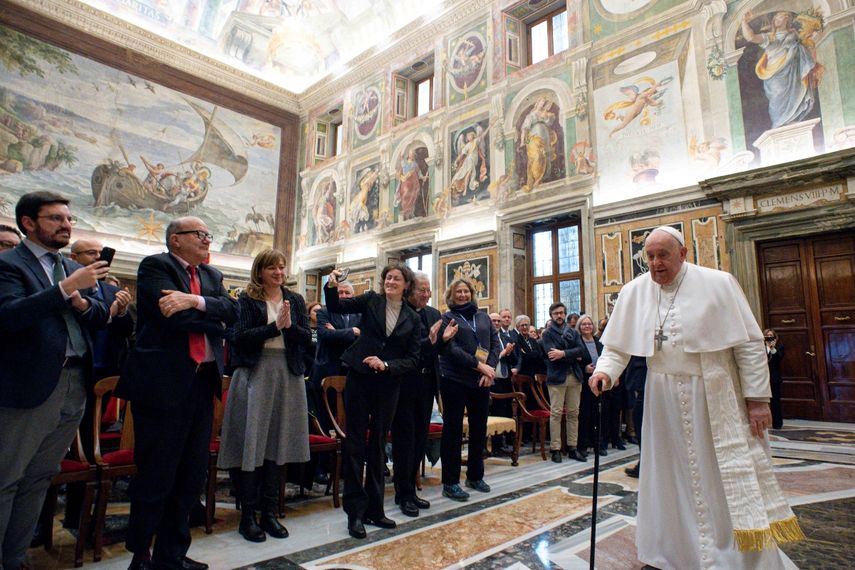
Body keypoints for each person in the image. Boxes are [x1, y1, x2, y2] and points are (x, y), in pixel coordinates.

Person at [589, 225, 803, 569]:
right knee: (668, 476)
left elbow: (748, 345)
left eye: (664, 255)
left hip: (713, 394)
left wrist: (758, 399)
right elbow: (616, 347)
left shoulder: (718, 284)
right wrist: (605, 372)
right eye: (650, 256)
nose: (656, 263)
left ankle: (730, 555)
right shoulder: (634, 292)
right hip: (662, 397)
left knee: (717, 475)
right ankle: (675, 552)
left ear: (683, 253)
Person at [116, 217, 238, 570]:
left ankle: (173, 554)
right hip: (163, 386)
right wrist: (210, 313)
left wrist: (194, 301)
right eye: (199, 234)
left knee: (190, 475)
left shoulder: (212, 276)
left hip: (202, 384)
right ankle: (141, 555)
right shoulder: (156, 266)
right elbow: (174, 320)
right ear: (176, 239)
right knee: (156, 474)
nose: (206, 239)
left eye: (207, 234)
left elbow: (233, 311)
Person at [0, 192, 109, 570]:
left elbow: (96, 317)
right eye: (55, 219)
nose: (66, 225)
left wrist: (82, 302)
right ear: (28, 223)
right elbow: (9, 316)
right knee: (7, 478)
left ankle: (15, 558)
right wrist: (65, 290)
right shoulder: (9, 265)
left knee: (39, 477)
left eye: (68, 218)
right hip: (32, 386)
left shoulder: (66, 266)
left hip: (75, 383)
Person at [218, 249, 310, 542]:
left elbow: (306, 337)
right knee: (253, 443)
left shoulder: (294, 300)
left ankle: (269, 513)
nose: (279, 273)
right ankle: (248, 517)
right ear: (260, 271)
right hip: (255, 373)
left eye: (282, 267)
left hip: (287, 372)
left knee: (278, 442)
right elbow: (238, 336)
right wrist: (274, 328)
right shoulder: (247, 299)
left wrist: (289, 327)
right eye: (272, 268)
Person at [324, 264, 421, 539]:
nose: (391, 281)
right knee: (355, 443)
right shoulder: (371, 300)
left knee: (378, 444)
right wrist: (330, 285)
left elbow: (413, 359)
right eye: (388, 277)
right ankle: (355, 513)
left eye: (397, 278)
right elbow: (337, 307)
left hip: (388, 383)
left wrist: (387, 364)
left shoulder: (413, 318)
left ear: (406, 285)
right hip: (359, 376)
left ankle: (375, 510)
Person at [392, 272, 455, 517]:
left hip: (427, 382)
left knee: (420, 439)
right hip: (405, 383)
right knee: (404, 441)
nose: (426, 295)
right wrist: (432, 342)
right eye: (422, 290)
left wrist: (444, 340)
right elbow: (412, 351)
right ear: (409, 290)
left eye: (429, 290)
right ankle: (402, 493)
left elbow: (436, 350)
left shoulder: (433, 314)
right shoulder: (400, 313)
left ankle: (412, 490)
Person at [438, 278, 497, 502]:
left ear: (472, 293)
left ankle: (475, 475)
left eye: (466, 291)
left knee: (478, 429)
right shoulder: (447, 318)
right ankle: (450, 482)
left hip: (480, 381)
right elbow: (449, 349)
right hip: (454, 379)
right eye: (458, 292)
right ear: (451, 296)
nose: (462, 295)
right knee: (452, 431)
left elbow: (495, 343)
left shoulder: (482, 316)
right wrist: (478, 365)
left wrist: (488, 369)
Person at [541, 303, 590, 463]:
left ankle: (572, 447)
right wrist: (571, 354)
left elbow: (582, 351)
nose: (559, 316)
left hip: (575, 377)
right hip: (557, 377)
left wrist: (562, 353)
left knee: (573, 413)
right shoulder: (547, 334)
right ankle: (555, 448)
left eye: (561, 313)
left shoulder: (573, 331)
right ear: (551, 315)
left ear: (565, 313)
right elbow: (551, 354)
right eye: (556, 313)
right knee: (555, 414)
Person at [310, 280, 361, 433]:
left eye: (347, 293)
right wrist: (352, 332)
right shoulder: (324, 312)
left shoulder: (360, 314)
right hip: (327, 371)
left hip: (352, 372)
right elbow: (325, 335)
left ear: (353, 296)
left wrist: (337, 333)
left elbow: (366, 339)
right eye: (340, 292)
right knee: (326, 420)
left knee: (350, 421)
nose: (343, 296)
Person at [622, 355, 647, 478]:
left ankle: (645, 464)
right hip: (640, 378)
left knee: (642, 422)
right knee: (639, 422)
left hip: (646, 375)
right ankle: (644, 463)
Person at [765, 328, 785, 429]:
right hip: (764, 377)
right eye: (767, 336)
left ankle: (777, 423)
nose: (769, 337)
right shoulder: (762, 347)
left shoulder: (779, 346)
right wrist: (767, 348)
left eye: (771, 336)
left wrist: (772, 348)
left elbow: (778, 358)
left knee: (775, 401)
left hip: (774, 377)